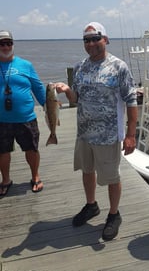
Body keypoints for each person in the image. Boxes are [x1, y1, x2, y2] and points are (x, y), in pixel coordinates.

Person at [56, 22, 137, 241]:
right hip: (84, 133)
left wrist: (130, 135)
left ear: (106, 40)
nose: (91, 43)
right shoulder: (80, 66)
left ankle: (113, 214)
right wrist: (67, 91)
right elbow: (76, 100)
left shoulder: (119, 67)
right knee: (87, 170)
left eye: (95, 38)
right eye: (87, 40)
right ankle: (91, 206)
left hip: (108, 135)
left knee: (111, 177)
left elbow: (131, 101)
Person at [0, 30, 46, 196]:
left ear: (13, 44)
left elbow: (38, 87)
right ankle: (5, 180)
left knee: (31, 149)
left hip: (26, 117)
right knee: (2, 152)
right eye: (1, 43)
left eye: (8, 43)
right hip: (1, 120)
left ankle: (35, 176)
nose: (5, 46)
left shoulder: (25, 65)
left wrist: (48, 106)